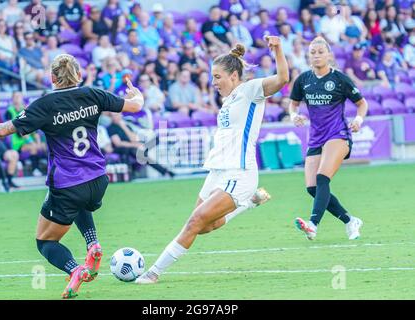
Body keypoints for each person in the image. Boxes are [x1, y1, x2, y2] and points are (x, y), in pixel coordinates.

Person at [0, 54, 144, 298]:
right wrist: (137, 93)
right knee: (82, 203)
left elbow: (2, 130)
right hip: (99, 179)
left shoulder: (45, 105)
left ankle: (75, 270)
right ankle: (93, 244)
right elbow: (135, 105)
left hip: (68, 185)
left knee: (45, 242)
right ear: (79, 75)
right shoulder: (93, 94)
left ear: (52, 78)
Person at [135, 37, 288, 285]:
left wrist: (278, 49)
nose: (213, 82)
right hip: (218, 172)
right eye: (212, 76)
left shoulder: (250, 90)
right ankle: (249, 203)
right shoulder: (228, 101)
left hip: (239, 173)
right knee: (206, 225)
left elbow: (282, 78)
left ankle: (153, 272)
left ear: (234, 76)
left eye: (217, 76)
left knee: (194, 222)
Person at [288, 36, 368, 241]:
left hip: (338, 134)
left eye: (320, 52)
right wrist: (293, 115)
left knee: (323, 177)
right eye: (312, 53)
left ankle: (313, 225)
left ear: (329, 55)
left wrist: (358, 120)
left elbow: (362, 103)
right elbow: (293, 103)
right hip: (316, 137)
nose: (316, 56)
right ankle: (350, 221)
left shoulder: (340, 79)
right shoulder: (303, 80)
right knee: (312, 188)